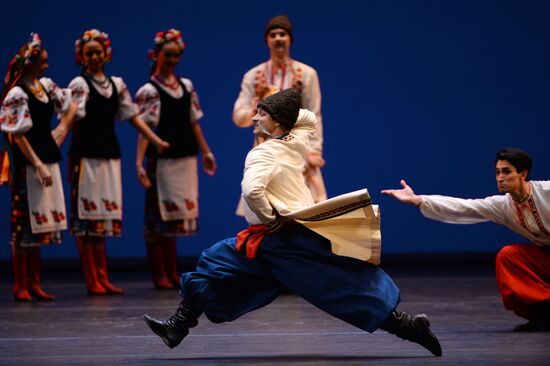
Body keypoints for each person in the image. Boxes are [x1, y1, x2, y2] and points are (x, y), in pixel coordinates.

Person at [143, 89, 442, 357]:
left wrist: (270, 218)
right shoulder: (298, 140)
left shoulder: (263, 153)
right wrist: (280, 108)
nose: (255, 116)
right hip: (294, 237)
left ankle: (408, 325)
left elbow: (252, 190)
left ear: (278, 122)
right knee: (335, 285)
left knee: (332, 287)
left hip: (276, 240)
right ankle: (178, 326)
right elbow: (308, 117)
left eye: (262, 113)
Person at [381, 147, 550, 332]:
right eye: (497, 172)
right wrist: (419, 200)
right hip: (545, 258)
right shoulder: (503, 206)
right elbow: (463, 207)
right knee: (509, 255)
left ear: (523, 174)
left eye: (506, 172)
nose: (500, 177)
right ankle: (544, 314)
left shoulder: (546, 191)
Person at [68, 29, 169, 295]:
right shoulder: (79, 85)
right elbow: (70, 116)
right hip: (86, 154)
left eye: (98, 52)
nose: (94, 57)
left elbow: (134, 117)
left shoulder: (116, 84)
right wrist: (58, 135)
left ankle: (103, 275)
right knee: (86, 220)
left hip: (109, 154)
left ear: (106, 54)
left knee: (102, 218)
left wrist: (154, 140)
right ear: (82, 56)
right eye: (89, 53)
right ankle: (92, 277)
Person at [135, 29, 217, 289]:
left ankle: (171, 271)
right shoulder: (149, 90)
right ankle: (159, 272)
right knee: (158, 220)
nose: (171, 60)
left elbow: (194, 123)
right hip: (161, 161)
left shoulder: (186, 86)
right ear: (156, 55)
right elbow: (144, 130)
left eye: (175, 55)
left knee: (174, 222)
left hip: (184, 158)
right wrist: (139, 163)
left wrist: (206, 151)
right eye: (167, 55)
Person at [0, 33, 77, 301]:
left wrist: (61, 131)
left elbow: (71, 106)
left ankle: (34, 283)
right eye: (42, 61)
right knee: (23, 227)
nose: (46, 66)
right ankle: (20, 284)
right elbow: (17, 134)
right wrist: (37, 164)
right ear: (30, 62)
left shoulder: (43, 87)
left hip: (46, 156)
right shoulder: (18, 93)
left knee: (38, 225)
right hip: (28, 163)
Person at [233, 15, 327, 203]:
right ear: (267, 41)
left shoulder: (307, 74)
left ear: (290, 39)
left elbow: (314, 113)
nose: (278, 38)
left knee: (303, 207)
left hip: (298, 149)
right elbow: (238, 117)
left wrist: (315, 150)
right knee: (265, 201)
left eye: (282, 34)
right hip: (265, 148)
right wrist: (253, 110)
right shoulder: (253, 75)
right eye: (273, 34)